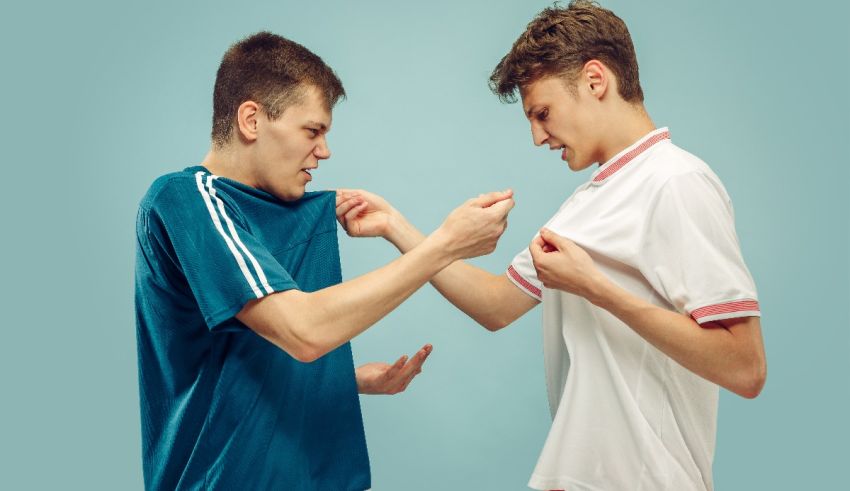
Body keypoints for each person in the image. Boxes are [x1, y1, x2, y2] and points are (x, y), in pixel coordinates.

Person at [336, 2, 766, 490]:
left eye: (542, 113)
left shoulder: (676, 182)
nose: (538, 137)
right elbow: (497, 305)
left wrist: (597, 289)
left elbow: (745, 367)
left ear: (595, 80)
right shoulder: (587, 201)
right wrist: (396, 226)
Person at [134, 32, 514, 490]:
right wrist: (444, 245)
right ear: (251, 120)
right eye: (312, 131)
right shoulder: (187, 200)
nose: (325, 151)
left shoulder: (257, 210)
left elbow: (239, 354)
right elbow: (304, 331)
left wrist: (343, 379)